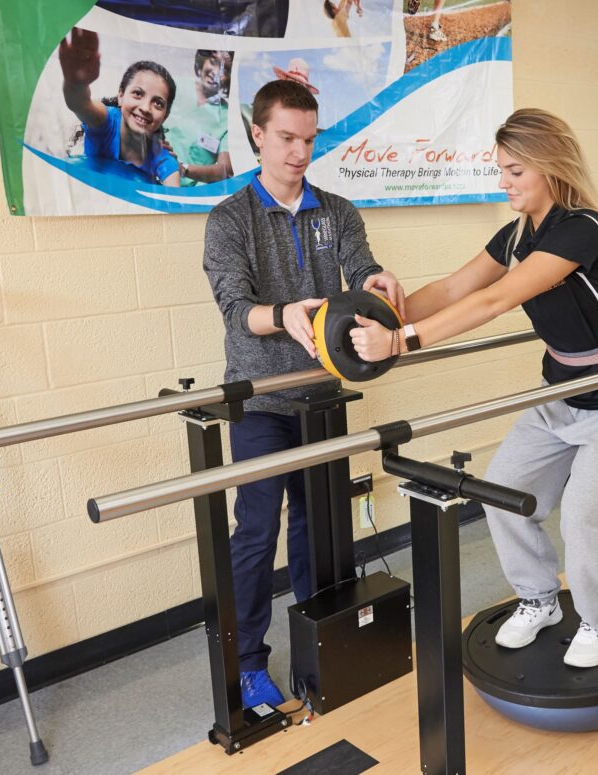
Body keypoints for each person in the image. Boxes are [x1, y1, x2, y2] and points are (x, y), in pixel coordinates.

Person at [351, 109, 598, 668]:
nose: (504, 183)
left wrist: (400, 341)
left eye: (515, 171)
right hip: (562, 395)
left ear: (549, 167)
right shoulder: (517, 233)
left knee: (583, 517)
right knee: (500, 490)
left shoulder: (584, 228)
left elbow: (494, 301)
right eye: (501, 171)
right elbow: (455, 287)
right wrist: (373, 314)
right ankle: (539, 599)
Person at [202, 78, 404, 708]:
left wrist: (377, 278)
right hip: (260, 400)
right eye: (286, 138)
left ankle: (325, 646)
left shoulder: (335, 211)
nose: (299, 152)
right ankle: (247, 662)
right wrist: (282, 312)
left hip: (322, 398)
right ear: (257, 134)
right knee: (257, 531)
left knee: (321, 526)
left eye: (309, 139)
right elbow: (236, 309)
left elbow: (361, 263)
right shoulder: (229, 218)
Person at [59, 28, 180, 186]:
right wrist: (76, 83)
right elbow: (80, 103)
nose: (145, 108)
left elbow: (174, 199)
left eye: (158, 103)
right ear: (121, 96)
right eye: (137, 93)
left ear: (165, 115)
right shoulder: (105, 123)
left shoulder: (162, 157)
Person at [165, 50, 234, 186]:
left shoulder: (228, 118)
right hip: (147, 177)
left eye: (225, 69)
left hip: (186, 194)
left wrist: (183, 169)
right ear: (202, 62)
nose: (216, 71)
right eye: (213, 61)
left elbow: (224, 170)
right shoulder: (173, 86)